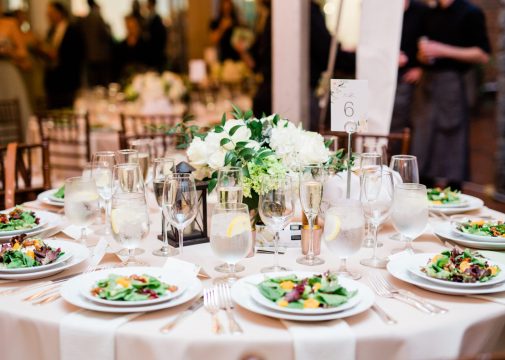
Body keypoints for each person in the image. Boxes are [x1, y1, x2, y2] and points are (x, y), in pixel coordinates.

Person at [411, 0, 490, 190]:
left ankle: (454, 198)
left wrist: (442, 50)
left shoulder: (470, 12)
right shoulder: (429, 13)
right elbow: (421, 54)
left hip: (453, 84)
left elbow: (482, 54)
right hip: (427, 84)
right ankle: (423, 197)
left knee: (452, 142)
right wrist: (424, 56)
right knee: (423, 143)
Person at [390, 0, 427, 136]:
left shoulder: (421, 10)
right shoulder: (382, 11)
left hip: (408, 75)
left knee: (402, 121)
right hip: (384, 74)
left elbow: (428, 41)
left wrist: (421, 68)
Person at [42, 1, 84, 109]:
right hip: (52, 82)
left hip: (68, 80)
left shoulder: (73, 30)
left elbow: (78, 55)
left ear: (60, 13)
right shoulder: (50, 31)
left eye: (51, 13)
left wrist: (57, 55)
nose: (48, 16)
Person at [0, 5, 32, 140]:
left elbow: (23, 53)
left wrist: (9, 51)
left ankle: (17, 149)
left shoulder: (9, 23)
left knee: (13, 112)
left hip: (7, 72)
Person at [79, 0, 113, 87]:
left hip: (89, 55)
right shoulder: (98, 17)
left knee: (93, 83)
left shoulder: (85, 19)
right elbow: (105, 34)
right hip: (100, 56)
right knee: (102, 82)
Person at [115, 14, 149, 81]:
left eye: (133, 26)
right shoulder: (122, 45)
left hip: (142, 78)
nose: (131, 29)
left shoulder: (144, 43)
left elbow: (147, 62)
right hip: (126, 79)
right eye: (128, 26)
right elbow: (118, 65)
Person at [145, 0, 167, 72]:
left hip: (156, 53)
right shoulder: (149, 18)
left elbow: (161, 36)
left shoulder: (157, 19)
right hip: (151, 53)